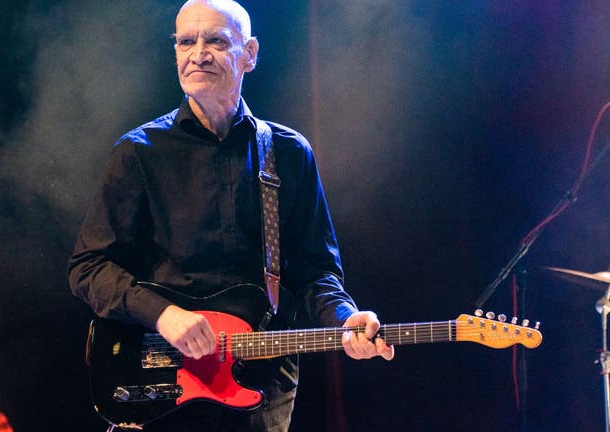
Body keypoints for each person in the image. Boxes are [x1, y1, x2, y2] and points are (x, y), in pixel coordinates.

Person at [68, 0, 393, 430]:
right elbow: (88, 267)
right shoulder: (139, 151)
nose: (198, 53)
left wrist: (345, 318)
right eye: (186, 41)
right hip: (162, 377)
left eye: (217, 41)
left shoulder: (288, 153)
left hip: (261, 382)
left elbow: (315, 270)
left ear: (251, 54)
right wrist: (164, 314)